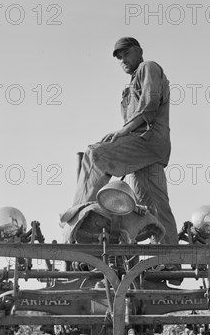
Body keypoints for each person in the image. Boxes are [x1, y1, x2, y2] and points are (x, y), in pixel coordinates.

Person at [69, 37, 178, 245]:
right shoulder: (128, 88)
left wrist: (122, 132)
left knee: (96, 154)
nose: (122, 60)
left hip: (147, 139)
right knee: (153, 203)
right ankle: (167, 260)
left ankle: (78, 220)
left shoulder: (148, 68)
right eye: (119, 58)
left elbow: (149, 105)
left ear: (139, 51)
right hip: (149, 151)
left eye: (126, 54)